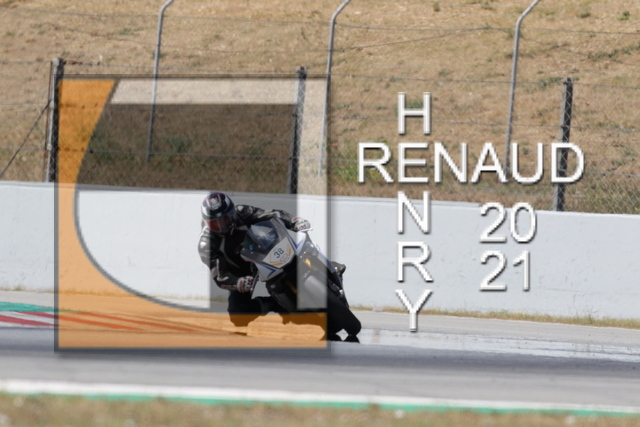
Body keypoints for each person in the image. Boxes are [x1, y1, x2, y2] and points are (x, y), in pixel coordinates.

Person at [198, 191, 324, 326]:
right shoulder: (206, 244)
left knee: (300, 249)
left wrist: (294, 221)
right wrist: (237, 282)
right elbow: (220, 276)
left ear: (232, 213)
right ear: (207, 223)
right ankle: (275, 304)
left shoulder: (242, 211)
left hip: (263, 250)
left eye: (225, 219)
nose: (222, 225)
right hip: (240, 272)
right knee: (238, 315)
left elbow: (271, 214)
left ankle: (324, 266)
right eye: (215, 223)